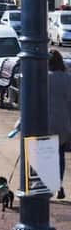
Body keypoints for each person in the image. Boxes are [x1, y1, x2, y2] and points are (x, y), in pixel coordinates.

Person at [48, 50, 71, 199]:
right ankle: (59, 185)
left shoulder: (43, 78)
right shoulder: (68, 78)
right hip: (64, 123)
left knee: (46, 155)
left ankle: (48, 185)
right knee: (60, 155)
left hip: (46, 123)